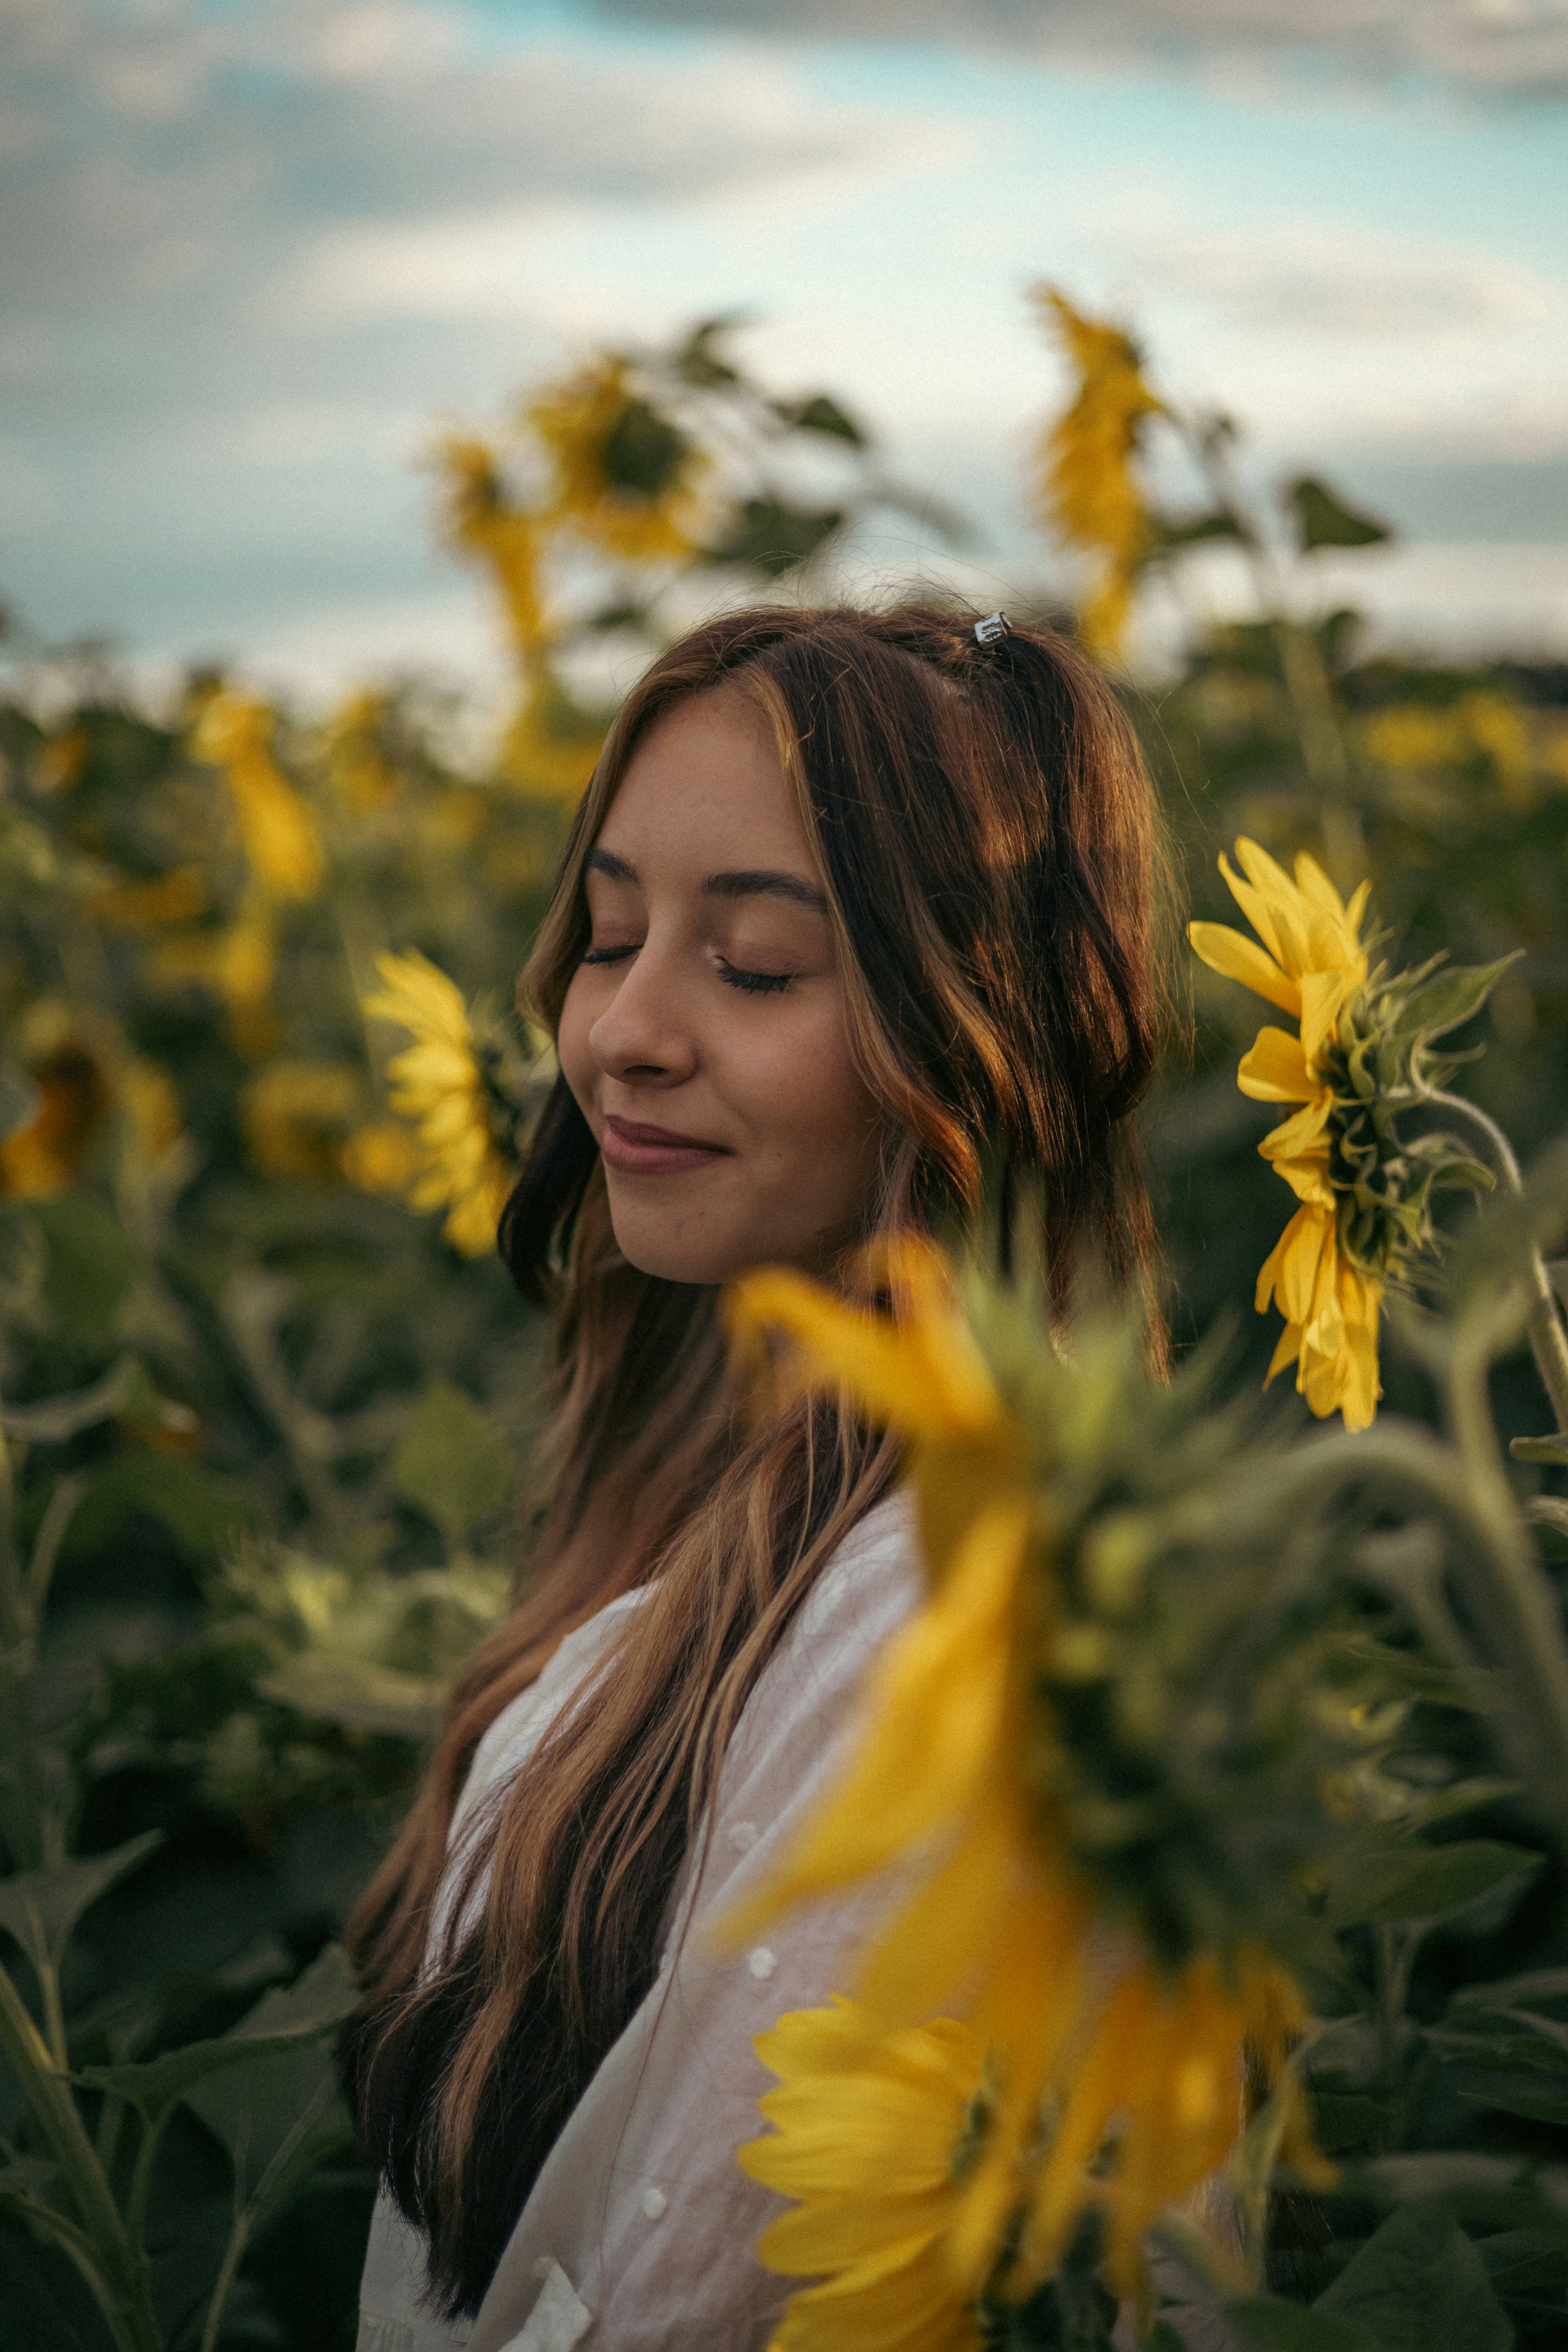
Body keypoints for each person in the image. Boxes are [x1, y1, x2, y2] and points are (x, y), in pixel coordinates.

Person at [349, 603, 1165, 2352]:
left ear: (977, 1027)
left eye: (757, 967)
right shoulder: (714, 1445)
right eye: (612, 934)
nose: (621, 1031)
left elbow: (703, 2284)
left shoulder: (937, 1623)